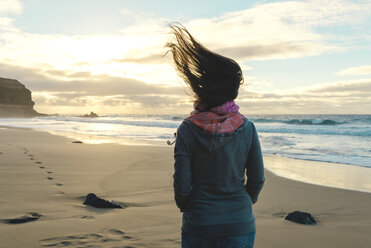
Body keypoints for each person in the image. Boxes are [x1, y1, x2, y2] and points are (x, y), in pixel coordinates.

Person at [167, 24, 265, 248]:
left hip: (199, 222)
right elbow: (257, 178)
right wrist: (245, 202)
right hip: (239, 222)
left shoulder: (187, 129)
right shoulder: (247, 128)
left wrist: (189, 206)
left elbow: (181, 184)